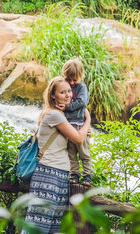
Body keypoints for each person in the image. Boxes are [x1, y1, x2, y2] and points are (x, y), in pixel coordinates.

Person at [23, 76, 91, 234]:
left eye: (69, 91)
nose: (68, 95)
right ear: (53, 95)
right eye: (62, 92)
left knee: (53, 228)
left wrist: (83, 128)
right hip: (48, 175)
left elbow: (77, 134)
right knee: (37, 228)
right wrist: (87, 119)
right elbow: (79, 138)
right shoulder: (55, 115)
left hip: (60, 176)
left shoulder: (61, 115)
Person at [57, 59, 93, 187]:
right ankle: (74, 174)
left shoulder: (81, 87)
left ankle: (87, 175)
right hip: (67, 125)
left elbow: (82, 102)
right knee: (71, 153)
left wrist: (67, 108)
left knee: (84, 153)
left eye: (74, 80)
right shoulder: (64, 87)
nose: (72, 83)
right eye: (69, 79)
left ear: (80, 76)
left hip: (79, 124)